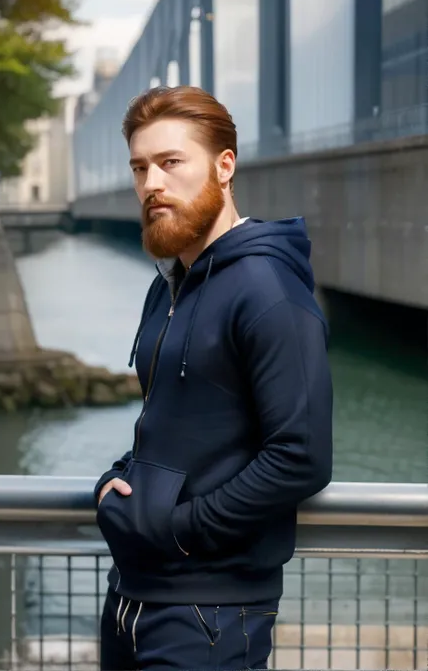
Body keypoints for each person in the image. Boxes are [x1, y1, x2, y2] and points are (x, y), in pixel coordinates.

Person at [94, 85, 333, 670]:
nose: (152, 183)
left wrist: (180, 528)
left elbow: (300, 455)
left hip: (211, 616)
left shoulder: (268, 290)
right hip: (131, 599)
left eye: (171, 163)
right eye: (140, 167)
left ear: (224, 166)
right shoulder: (167, 285)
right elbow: (167, 418)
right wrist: (114, 481)